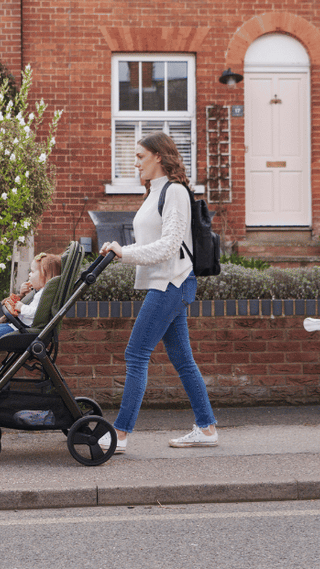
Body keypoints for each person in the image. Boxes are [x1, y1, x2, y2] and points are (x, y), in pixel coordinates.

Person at [99, 132, 218, 453]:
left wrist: (125, 254)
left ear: (159, 157)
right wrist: (121, 249)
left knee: (135, 354)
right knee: (183, 360)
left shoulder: (176, 192)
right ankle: (206, 428)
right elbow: (152, 243)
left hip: (173, 282)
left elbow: (170, 245)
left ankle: (120, 435)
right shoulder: (154, 192)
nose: (136, 162)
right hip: (165, 282)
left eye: (140, 157)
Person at [0, 252, 62, 368]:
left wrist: (21, 307)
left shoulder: (44, 294)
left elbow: (36, 313)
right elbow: (36, 307)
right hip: (24, 327)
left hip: (26, 330)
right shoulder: (41, 293)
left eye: (32, 272)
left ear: (46, 275)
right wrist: (25, 294)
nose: (29, 275)